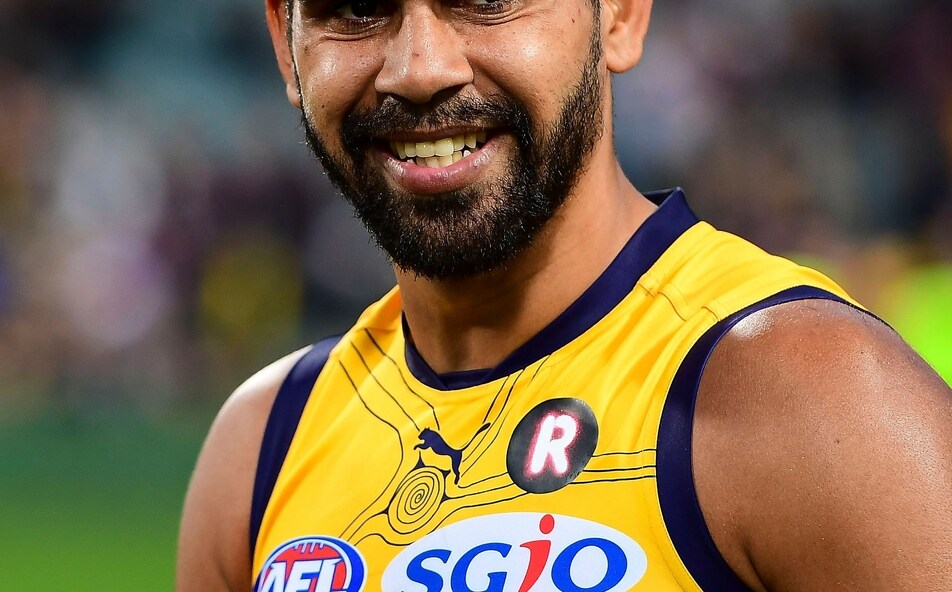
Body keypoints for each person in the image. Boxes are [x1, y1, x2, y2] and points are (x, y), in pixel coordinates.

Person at [176, 0, 952, 590]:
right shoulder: (261, 447)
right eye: (354, 8)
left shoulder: (813, 398)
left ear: (619, 15)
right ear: (285, 45)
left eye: (485, 0)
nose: (419, 69)